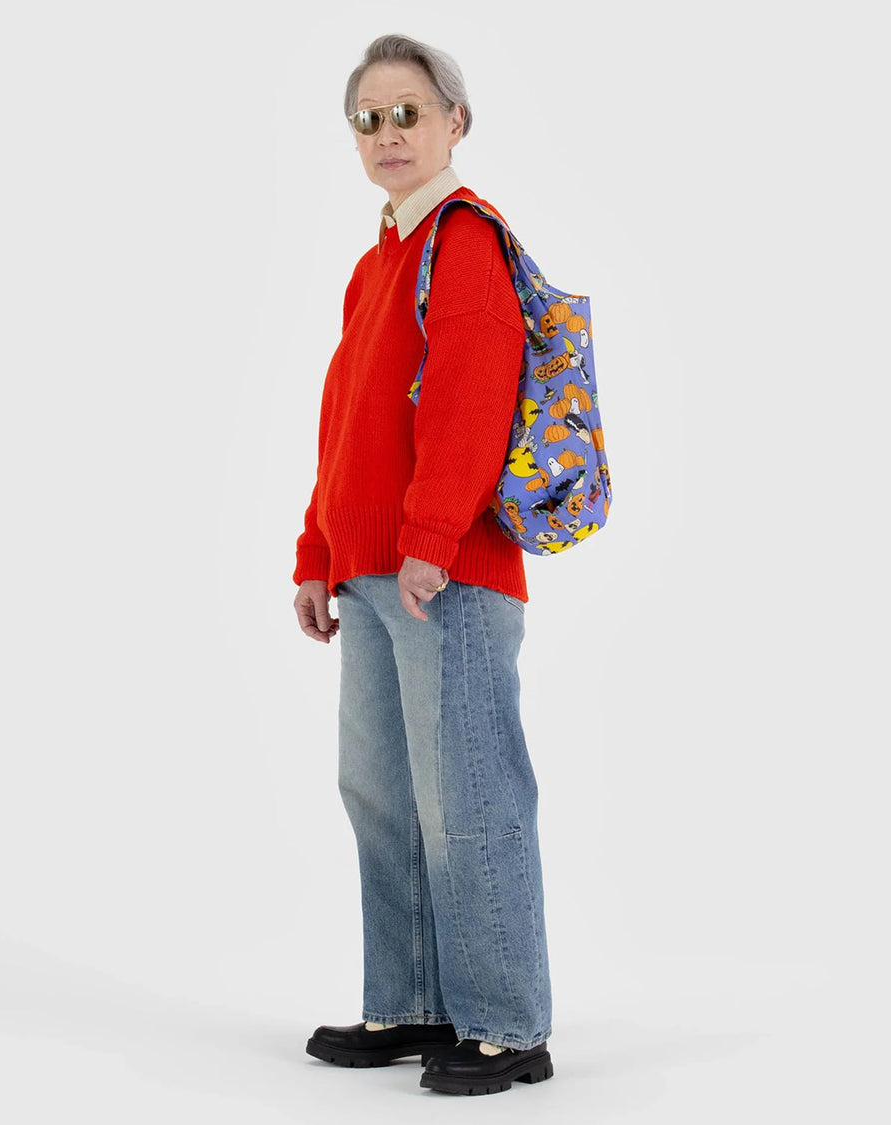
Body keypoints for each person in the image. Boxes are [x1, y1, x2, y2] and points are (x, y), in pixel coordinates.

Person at [292, 34, 554, 1096]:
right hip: (371, 570)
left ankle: (504, 1024)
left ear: (455, 122)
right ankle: (409, 1003)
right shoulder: (375, 263)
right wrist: (317, 553)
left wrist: (433, 541)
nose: (389, 134)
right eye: (369, 118)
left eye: (409, 113)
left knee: (471, 797)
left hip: (444, 573)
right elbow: (344, 426)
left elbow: (471, 402)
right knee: (383, 794)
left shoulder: (465, 240)